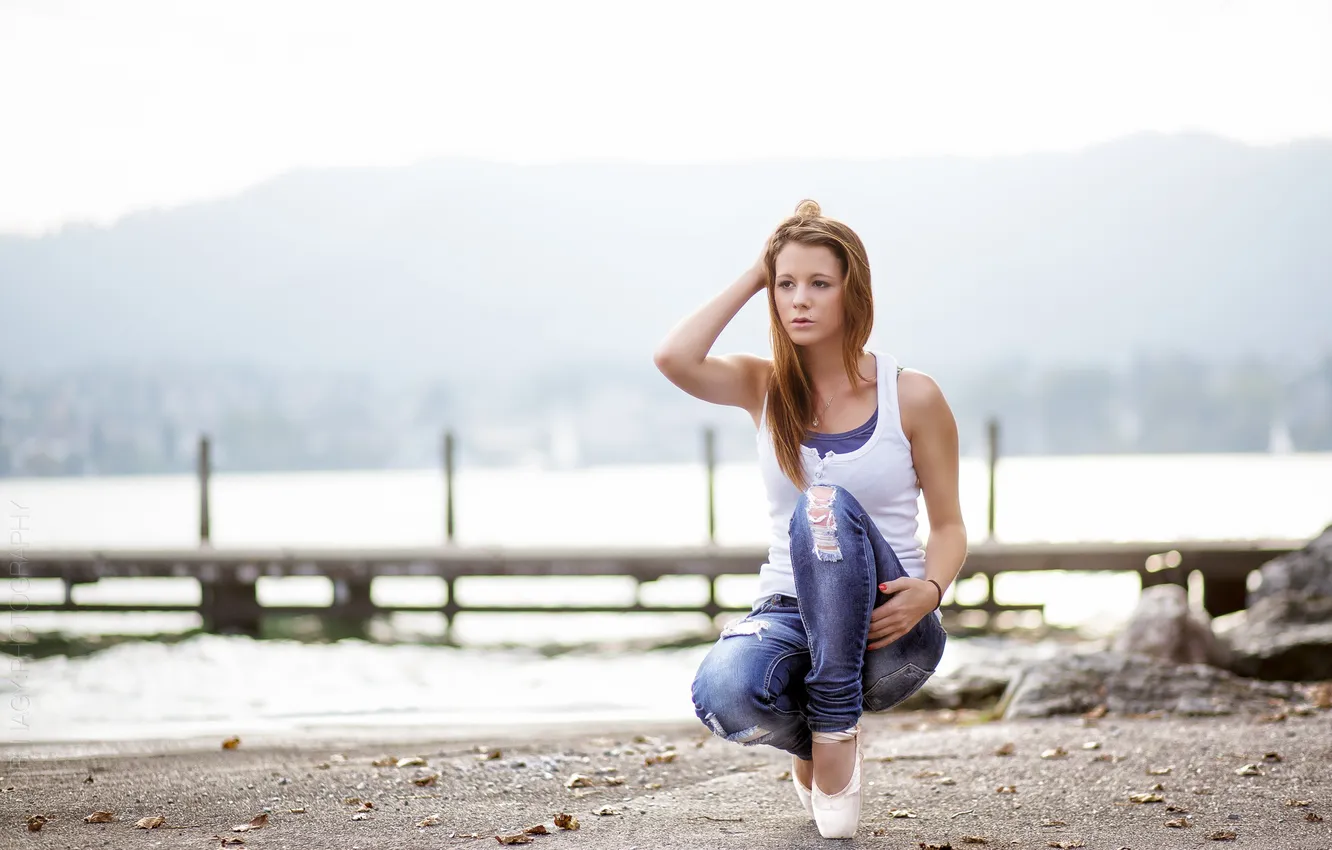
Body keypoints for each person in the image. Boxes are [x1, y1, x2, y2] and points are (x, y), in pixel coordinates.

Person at [652, 200, 967, 839]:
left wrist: (931, 590)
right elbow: (673, 357)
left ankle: (831, 721)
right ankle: (827, 733)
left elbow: (950, 527)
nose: (798, 299)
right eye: (786, 285)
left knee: (822, 502)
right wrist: (755, 270)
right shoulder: (762, 385)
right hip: (786, 611)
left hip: (888, 624)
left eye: (819, 283)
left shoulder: (912, 396)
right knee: (724, 696)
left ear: (855, 293)